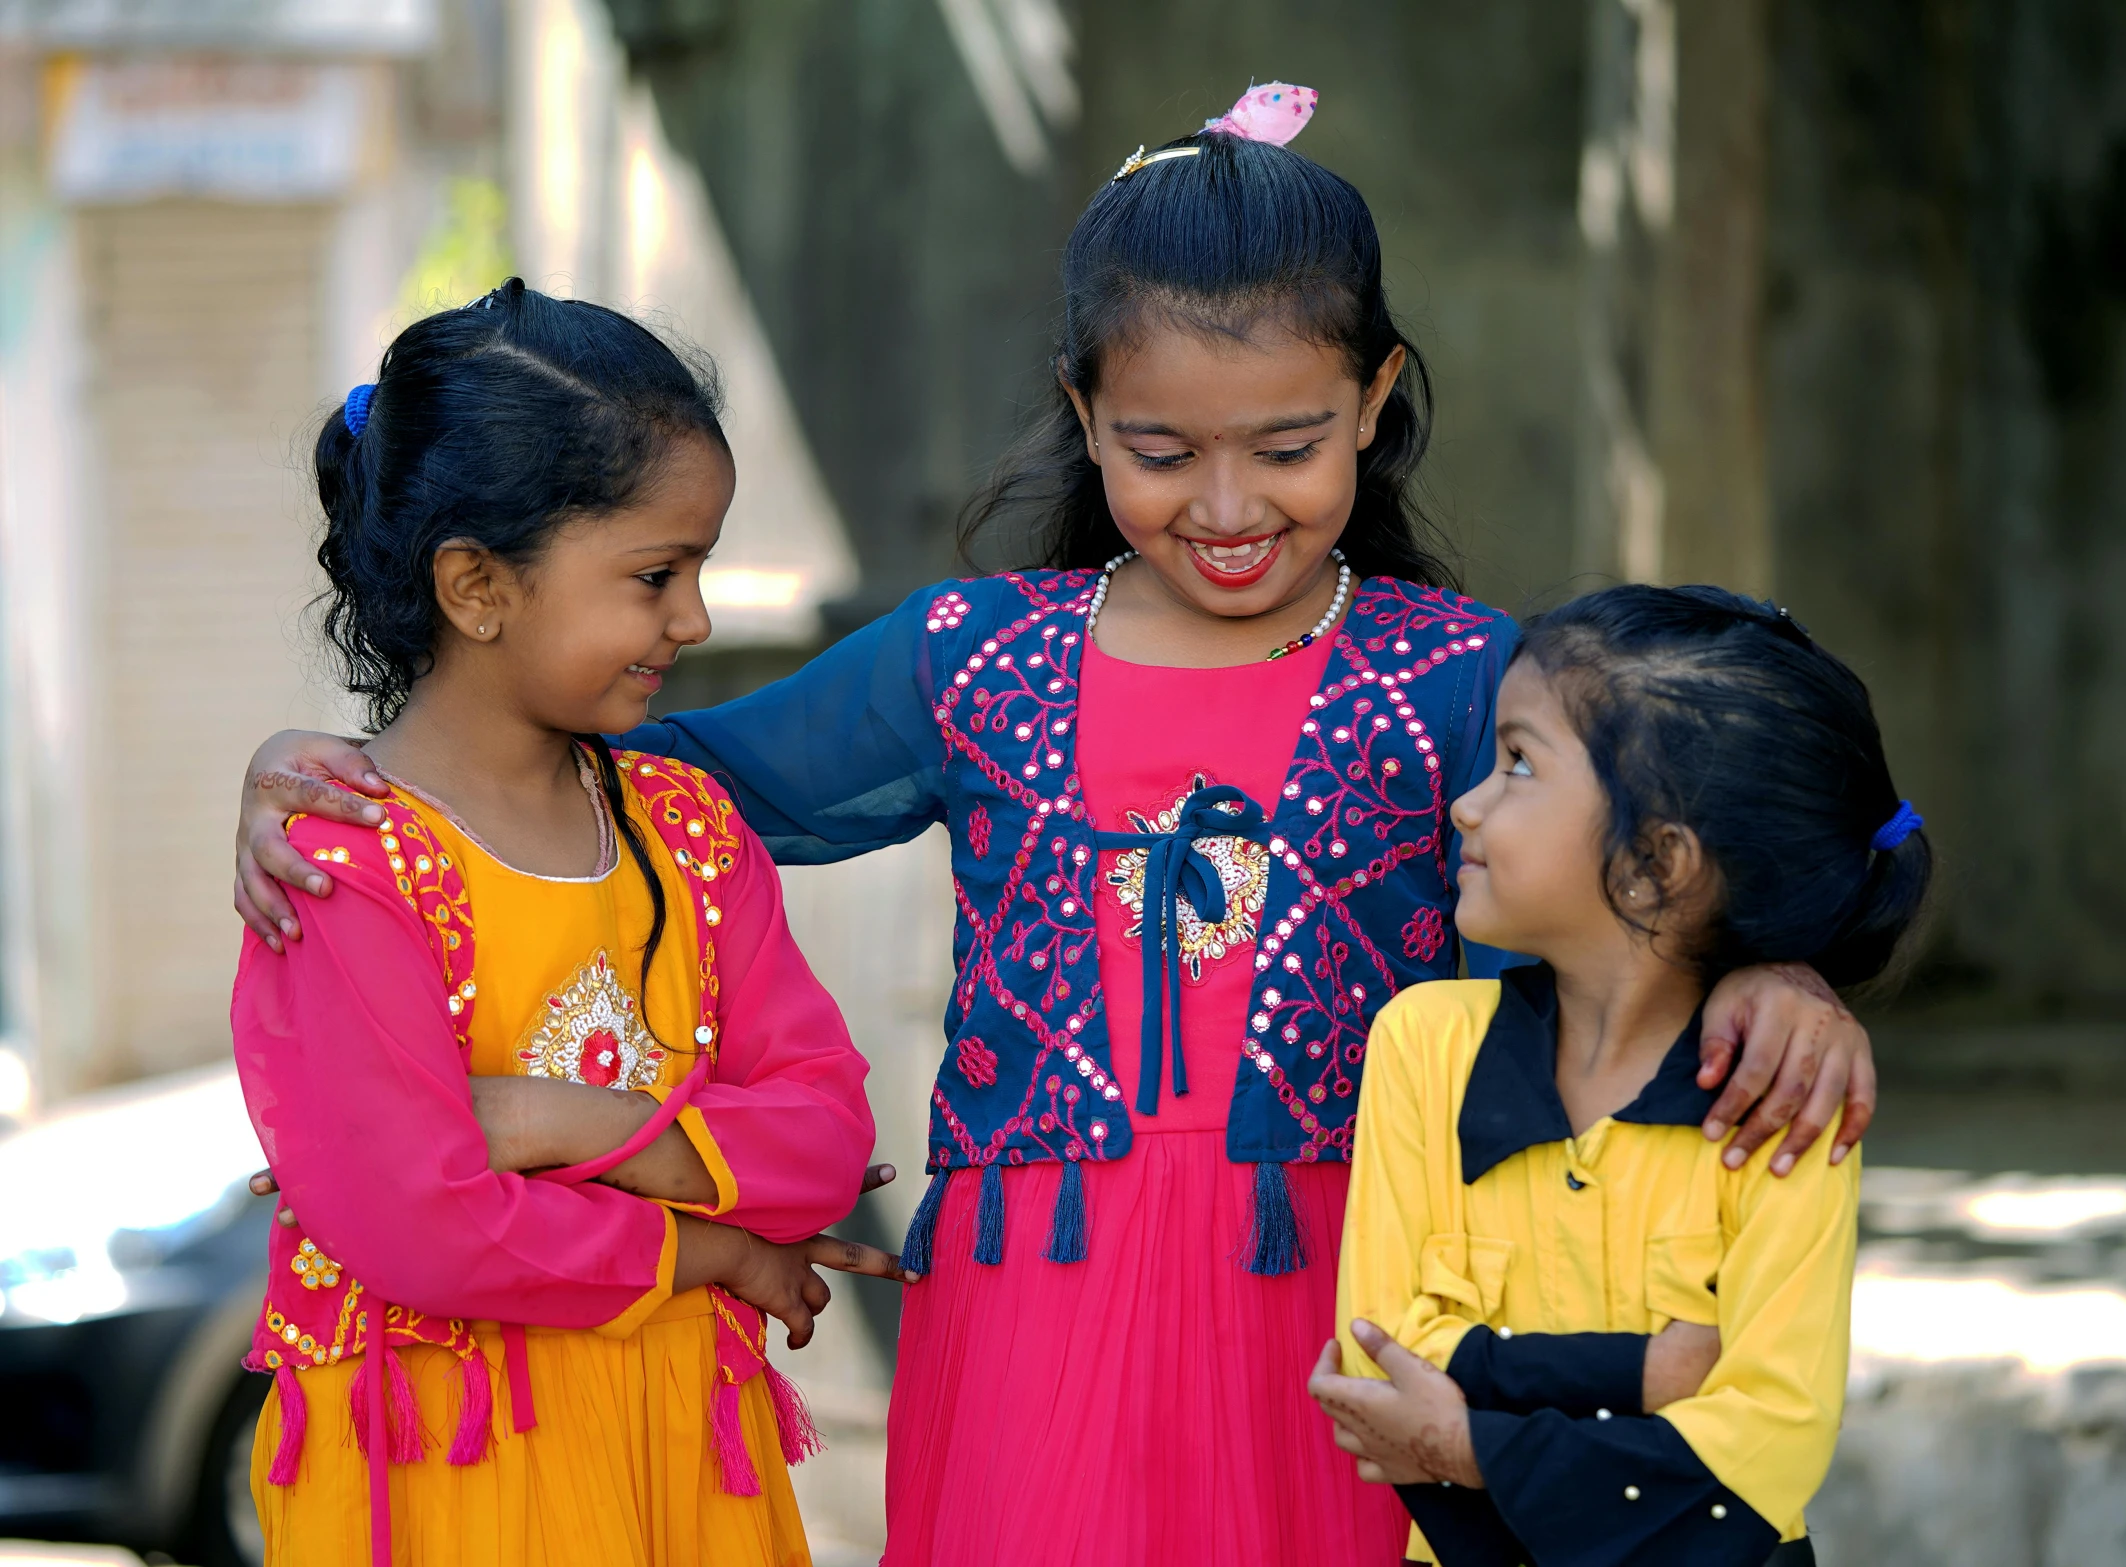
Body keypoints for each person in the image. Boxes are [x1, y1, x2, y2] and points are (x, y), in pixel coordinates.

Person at [229, 89, 1879, 1567]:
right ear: (1086, 414)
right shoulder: (977, 658)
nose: (1227, 507)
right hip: (1027, 1329)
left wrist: (1778, 968)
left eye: (1288, 445)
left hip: (1351, 1322)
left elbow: (1694, 838)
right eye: (1163, 450)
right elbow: (621, 773)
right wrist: (341, 761)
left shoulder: (1462, 676)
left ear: (1375, 400)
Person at [233, 281, 899, 1567]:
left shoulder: (687, 828)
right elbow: (432, 1232)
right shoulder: (340, 861)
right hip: (452, 1473)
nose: (694, 620)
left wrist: (555, 1121)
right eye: (656, 574)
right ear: (478, 587)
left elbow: (826, 1140)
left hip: (682, 1443)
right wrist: (717, 1244)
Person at [1311, 585, 1933, 1566]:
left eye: (1518, 763)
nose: (1467, 804)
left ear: (1653, 864)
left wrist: (1465, 1442)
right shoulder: (1425, 1044)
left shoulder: (1782, 1101)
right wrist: (1652, 1372)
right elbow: (1380, 1350)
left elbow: (1766, 1444)